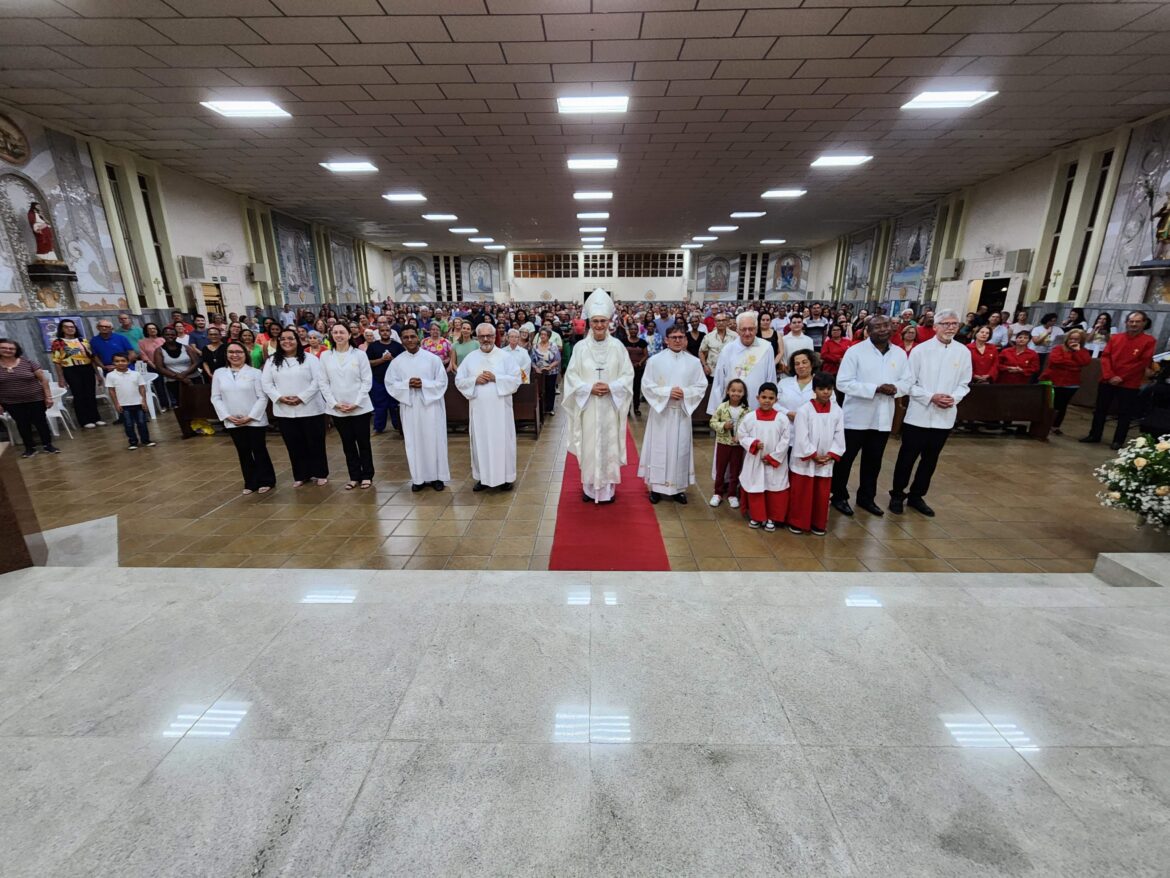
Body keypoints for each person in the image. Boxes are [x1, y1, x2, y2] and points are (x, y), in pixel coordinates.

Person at [889, 310, 971, 517]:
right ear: (935, 326)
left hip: (944, 415)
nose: (950, 327)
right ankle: (897, 494)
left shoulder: (963, 352)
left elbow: (964, 383)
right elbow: (909, 383)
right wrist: (930, 397)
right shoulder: (920, 351)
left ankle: (917, 495)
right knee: (907, 457)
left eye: (954, 323)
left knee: (930, 459)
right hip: (919, 414)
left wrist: (954, 397)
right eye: (945, 323)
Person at [830, 315, 911, 518]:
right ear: (868, 330)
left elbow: (908, 381)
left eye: (886, 325)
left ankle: (866, 497)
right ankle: (838, 496)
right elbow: (843, 383)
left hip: (882, 417)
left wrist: (897, 388)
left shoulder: (899, 354)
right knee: (845, 459)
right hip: (856, 416)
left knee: (873, 461)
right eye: (877, 327)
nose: (883, 329)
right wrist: (875, 389)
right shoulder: (855, 352)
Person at [562, 288, 635, 504]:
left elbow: (628, 375)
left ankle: (608, 490)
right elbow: (572, 375)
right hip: (589, 406)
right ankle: (589, 488)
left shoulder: (618, 347)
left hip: (610, 406)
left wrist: (612, 387)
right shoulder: (580, 348)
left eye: (603, 321)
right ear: (589, 323)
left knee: (609, 445)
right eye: (595, 321)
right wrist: (588, 388)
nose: (600, 325)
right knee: (589, 446)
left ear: (609, 322)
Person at [639, 324, 708, 504]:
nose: (677, 340)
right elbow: (646, 385)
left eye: (681, 337)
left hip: (681, 413)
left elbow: (701, 385)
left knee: (681, 450)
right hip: (661, 413)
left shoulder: (693, 362)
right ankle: (655, 487)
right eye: (674, 337)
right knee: (658, 449)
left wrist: (685, 393)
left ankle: (678, 489)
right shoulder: (655, 361)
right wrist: (668, 391)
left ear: (685, 340)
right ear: (667, 340)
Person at [455, 323, 521, 492]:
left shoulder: (505, 357)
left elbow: (515, 380)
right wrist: (474, 380)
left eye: (489, 336)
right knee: (480, 442)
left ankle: (506, 478)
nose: (486, 339)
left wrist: (495, 378)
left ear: (495, 337)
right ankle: (483, 478)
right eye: (482, 336)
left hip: (501, 411)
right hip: (479, 412)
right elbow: (459, 381)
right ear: (477, 337)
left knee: (503, 442)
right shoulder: (470, 358)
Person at [262, 328, 329, 487]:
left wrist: (302, 397)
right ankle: (301, 474)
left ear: (297, 340)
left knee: (315, 442)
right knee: (294, 444)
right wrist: (280, 398)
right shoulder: (272, 361)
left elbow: (318, 381)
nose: (287, 342)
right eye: (283, 339)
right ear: (279, 342)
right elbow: (266, 383)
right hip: (285, 410)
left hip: (311, 408)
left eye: (291, 338)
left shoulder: (310, 359)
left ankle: (320, 472)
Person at [1081, 310, 1156, 450]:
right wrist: (1110, 376)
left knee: (1124, 413)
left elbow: (1142, 362)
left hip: (1129, 382)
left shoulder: (1149, 341)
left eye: (1137, 321)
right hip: (1107, 380)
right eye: (1131, 321)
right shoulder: (1116, 338)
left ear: (1144, 323)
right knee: (1100, 409)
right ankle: (1094, 435)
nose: (1133, 324)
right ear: (1126, 322)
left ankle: (1118, 440)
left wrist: (1122, 377)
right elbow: (1106, 357)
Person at [386, 327, 449, 492]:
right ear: (401, 339)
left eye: (412, 336)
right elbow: (391, 384)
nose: (409, 340)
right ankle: (418, 478)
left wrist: (424, 384)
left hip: (431, 407)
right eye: (405, 337)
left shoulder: (432, 359)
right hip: (410, 406)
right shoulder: (397, 362)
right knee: (414, 442)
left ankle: (437, 478)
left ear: (418, 337)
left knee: (434, 440)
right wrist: (407, 384)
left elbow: (442, 382)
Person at [211, 341, 275, 494]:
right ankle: (251, 482)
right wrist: (227, 416)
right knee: (243, 451)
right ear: (226, 355)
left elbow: (262, 397)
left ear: (245, 354)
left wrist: (251, 416)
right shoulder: (219, 373)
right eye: (231, 352)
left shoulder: (255, 373)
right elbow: (216, 397)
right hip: (233, 419)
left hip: (254, 419)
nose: (235, 355)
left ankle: (267, 480)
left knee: (259, 449)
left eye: (238, 352)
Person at [788, 372, 845, 535]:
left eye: (829, 389)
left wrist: (831, 454)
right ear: (814, 390)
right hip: (806, 461)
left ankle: (818, 523)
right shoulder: (804, 410)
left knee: (821, 495)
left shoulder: (837, 411)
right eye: (821, 389)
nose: (825, 392)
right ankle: (798, 522)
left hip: (825, 461)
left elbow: (839, 434)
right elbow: (800, 436)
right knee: (802, 494)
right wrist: (812, 454)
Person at [320, 324, 375, 490]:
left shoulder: (359, 355)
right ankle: (354, 476)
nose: (338, 335)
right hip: (338, 408)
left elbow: (366, 380)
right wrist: (334, 403)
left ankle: (367, 475)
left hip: (360, 407)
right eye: (335, 332)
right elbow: (323, 382)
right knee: (347, 443)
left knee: (363, 442)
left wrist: (356, 402)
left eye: (342, 332)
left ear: (349, 334)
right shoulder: (325, 356)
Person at [736, 382, 791, 532]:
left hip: (774, 462)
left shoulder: (782, 419)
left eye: (771, 398)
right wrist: (753, 443)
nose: (767, 400)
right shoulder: (750, 417)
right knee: (756, 487)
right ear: (757, 397)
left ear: (776, 400)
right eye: (764, 397)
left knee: (773, 488)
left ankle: (772, 517)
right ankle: (757, 516)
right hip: (755, 459)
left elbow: (786, 440)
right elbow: (741, 435)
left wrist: (773, 457)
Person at [706, 312, 778, 416]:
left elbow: (771, 378)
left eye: (751, 329)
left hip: (758, 406)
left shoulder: (766, 348)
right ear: (737, 330)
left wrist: (771, 405)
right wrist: (716, 410)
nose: (747, 333)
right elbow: (719, 381)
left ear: (757, 329)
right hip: (732, 407)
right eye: (743, 329)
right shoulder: (728, 349)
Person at [0, 338, 58, 457]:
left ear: (16, 350)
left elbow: (43, 380)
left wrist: (48, 397)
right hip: (11, 402)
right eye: (4, 348)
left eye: (11, 348)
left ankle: (48, 445)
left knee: (40, 422)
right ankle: (30, 448)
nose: (8, 350)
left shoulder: (28, 362)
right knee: (22, 424)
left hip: (35, 399)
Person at [50, 319, 103, 428]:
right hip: (71, 369)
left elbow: (91, 357)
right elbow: (57, 361)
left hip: (87, 368)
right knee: (79, 395)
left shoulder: (83, 340)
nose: (70, 329)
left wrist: (97, 373)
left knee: (90, 394)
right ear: (62, 329)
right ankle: (84, 420)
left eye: (72, 327)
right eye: (67, 327)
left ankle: (95, 418)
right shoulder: (58, 342)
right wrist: (61, 378)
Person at [1041, 328, 1091, 435]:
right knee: (1049, 404)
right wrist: (1074, 365)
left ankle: (1055, 426)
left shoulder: (1083, 351)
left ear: (1081, 341)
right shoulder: (1058, 348)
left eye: (1076, 339)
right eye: (1071, 339)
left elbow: (1085, 362)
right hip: (1053, 380)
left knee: (1062, 405)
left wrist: (1076, 352)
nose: (1073, 341)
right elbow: (1055, 361)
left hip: (1071, 383)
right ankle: (1043, 424)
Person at [709, 378, 749, 509]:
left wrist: (740, 436)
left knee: (735, 470)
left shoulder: (747, 411)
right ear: (727, 391)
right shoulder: (722, 407)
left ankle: (732, 494)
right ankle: (717, 493)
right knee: (720, 469)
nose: (736, 393)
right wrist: (723, 425)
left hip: (738, 446)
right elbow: (712, 422)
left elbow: (749, 427)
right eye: (733, 390)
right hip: (723, 443)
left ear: (744, 393)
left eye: (739, 391)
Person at [104, 353, 154, 450]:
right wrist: (116, 404)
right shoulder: (111, 376)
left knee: (142, 422)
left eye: (123, 361)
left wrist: (144, 401)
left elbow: (142, 387)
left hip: (138, 403)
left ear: (128, 362)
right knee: (128, 424)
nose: (120, 363)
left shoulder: (135, 374)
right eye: (117, 361)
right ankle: (133, 442)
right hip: (124, 405)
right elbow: (111, 390)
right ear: (113, 363)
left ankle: (146, 440)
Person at [365, 323, 404, 434]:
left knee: (395, 405)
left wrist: (392, 359)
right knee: (379, 405)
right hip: (378, 380)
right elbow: (368, 363)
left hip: (394, 381)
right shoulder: (373, 346)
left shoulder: (397, 346)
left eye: (387, 330)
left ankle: (398, 426)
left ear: (391, 332)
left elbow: (403, 363)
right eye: (382, 331)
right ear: (379, 332)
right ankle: (378, 427)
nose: (385, 332)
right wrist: (382, 360)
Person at [153, 325, 201, 411]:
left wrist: (184, 374)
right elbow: (160, 368)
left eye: (172, 334)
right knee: (182, 404)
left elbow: (196, 362)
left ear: (176, 335)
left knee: (198, 402)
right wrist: (179, 377)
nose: (170, 336)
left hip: (192, 378)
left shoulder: (186, 347)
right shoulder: (159, 351)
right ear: (163, 336)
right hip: (174, 381)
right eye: (167, 334)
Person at [778, 350, 819, 431]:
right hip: (787, 430)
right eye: (797, 364)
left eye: (804, 362)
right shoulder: (783, 383)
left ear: (812, 364)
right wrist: (787, 413)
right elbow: (773, 403)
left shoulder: (821, 383)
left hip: (813, 430)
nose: (801, 366)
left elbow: (830, 405)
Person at [616, 317, 649, 417]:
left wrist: (640, 363)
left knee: (636, 388)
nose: (633, 331)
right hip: (626, 369)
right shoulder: (623, 341)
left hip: (639, 368)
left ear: (638, 330)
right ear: (628, 330)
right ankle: (627, 408)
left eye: (635, 329)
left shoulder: (642, 342)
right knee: (626, 389)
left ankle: (636, 408)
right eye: (631, 329)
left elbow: (646, 354)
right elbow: (620, 354)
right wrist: (628, 363)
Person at [531, 327, 562, 417]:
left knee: (550, 389)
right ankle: (541, 408)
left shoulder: (553, 345)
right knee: (539, 390)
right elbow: (532, 360)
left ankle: (550, 408)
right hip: (539, 372)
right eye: (541, 334)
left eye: (545, 334)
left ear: (549, 336)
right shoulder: (535, 346)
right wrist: (536, 368)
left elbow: (558, 359)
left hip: (551, 371)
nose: (543, 336)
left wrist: (550, 367)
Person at [698, 312, 733, 378]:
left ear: (727, 322)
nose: (721, 323)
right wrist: (705, 365)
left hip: (730, 371)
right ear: (715, 323)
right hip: (712, 372)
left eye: (723, 320)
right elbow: (701, 352)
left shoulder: (735, 336)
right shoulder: (708, 337)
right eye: (718, 321)